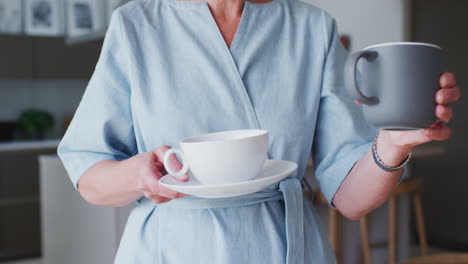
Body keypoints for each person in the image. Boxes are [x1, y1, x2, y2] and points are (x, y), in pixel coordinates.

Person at [57, 0, 462, 263]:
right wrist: (138, 174)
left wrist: (393, 143)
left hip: (284, 246)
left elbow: (351, 199)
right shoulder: (137, 24)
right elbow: (90, 174)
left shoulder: (312, 28)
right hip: (172, 249)